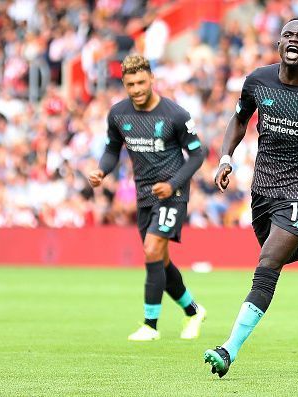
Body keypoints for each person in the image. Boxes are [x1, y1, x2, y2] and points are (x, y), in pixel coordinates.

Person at [203, 17, 298, 377]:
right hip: (264, 186)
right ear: (278, 43)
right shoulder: (258, 81)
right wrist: (226, 157)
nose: (294, 39)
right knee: (280, 254)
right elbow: (240, 119)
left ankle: (229, 350)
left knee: (268, 264)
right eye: (288, 34)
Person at [88, 54, 207, 341]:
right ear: (124, 84)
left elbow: (197, 154)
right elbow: (112, 150)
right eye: (131, 84)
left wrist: (173, 183)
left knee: (152, 249)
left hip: (172, 193)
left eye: (142, 82)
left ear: (152, 79)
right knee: (160, 261)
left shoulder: (175, 115)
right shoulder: (118, 114)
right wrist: (101, 171)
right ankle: (193, 311)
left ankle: (150, 326)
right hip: (144, 195)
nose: (137, 89)